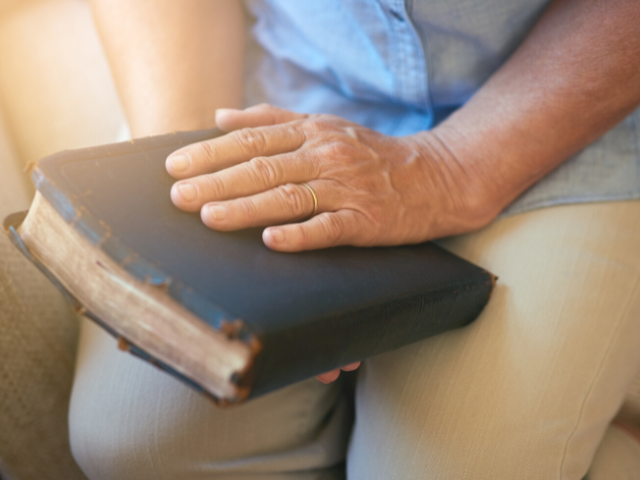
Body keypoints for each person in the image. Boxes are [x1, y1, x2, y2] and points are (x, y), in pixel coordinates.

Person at [67, 0, 640, 478]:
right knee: (132, 446)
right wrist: (188, 163)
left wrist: (450, 169)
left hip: (563, 113)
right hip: (289, 85)